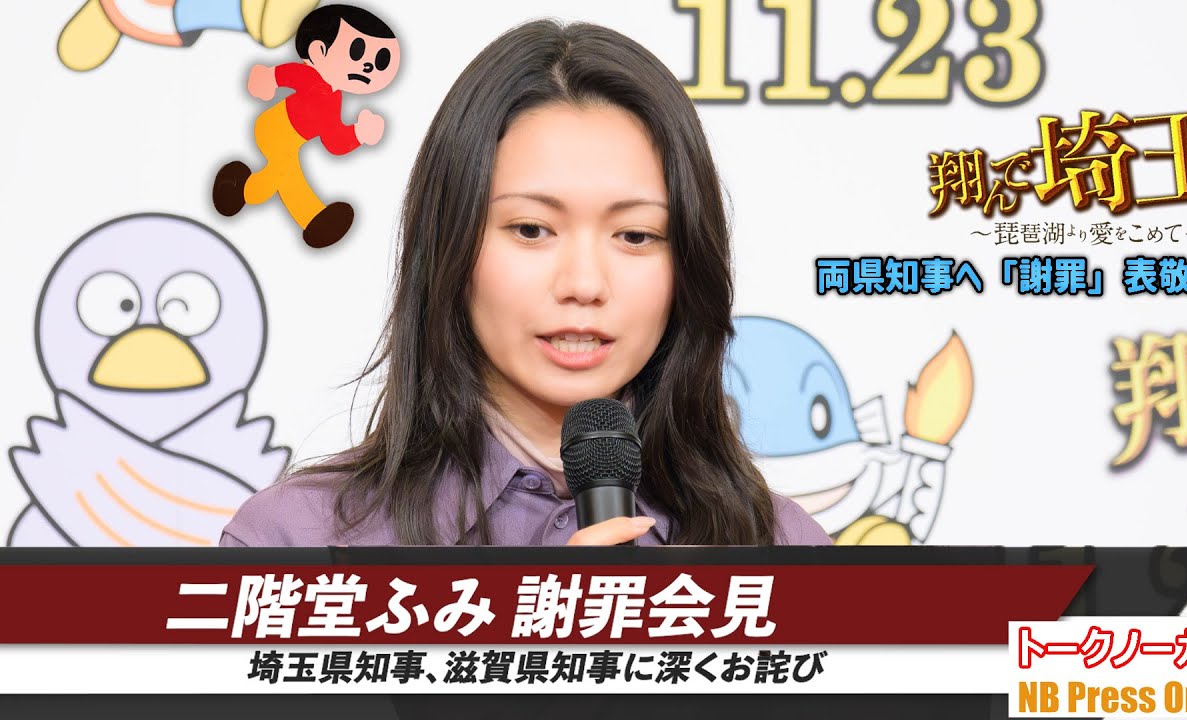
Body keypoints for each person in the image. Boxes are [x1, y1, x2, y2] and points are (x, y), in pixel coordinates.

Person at [219, 19, 831, 547]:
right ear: (450, 244)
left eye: (636, 235)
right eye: (532, 229)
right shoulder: (296, 540)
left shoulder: (785, 548)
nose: (584, 284)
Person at [212, 4, 400, 248]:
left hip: (291, 141)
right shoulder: (312, 79)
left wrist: (358, 134)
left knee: (285, 174)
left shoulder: (334, 100)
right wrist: (269, 78)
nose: (367, 66)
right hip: (272, 128)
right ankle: (307, 216)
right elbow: (290, 74)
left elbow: (334, 141)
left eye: (381, 60)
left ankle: (244, 192)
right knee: (284, 171)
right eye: (356, 51)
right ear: (319, 50)